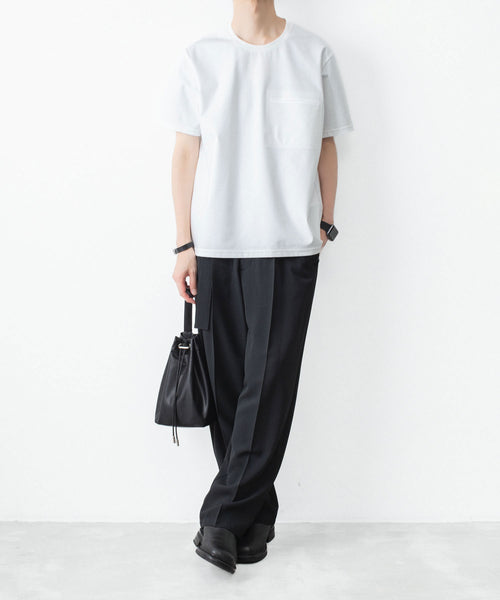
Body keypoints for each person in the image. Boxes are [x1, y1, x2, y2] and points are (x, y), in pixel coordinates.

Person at [165, 0, 353, 574]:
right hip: (216, 245)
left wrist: (325, 221)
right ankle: (257, 514)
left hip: (288, 246)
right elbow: (186, 150)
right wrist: (183, 243)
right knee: (228, 388)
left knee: (268, 383)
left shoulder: (313, 53)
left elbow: (326, 143)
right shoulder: (201, 56)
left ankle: (220, 517)